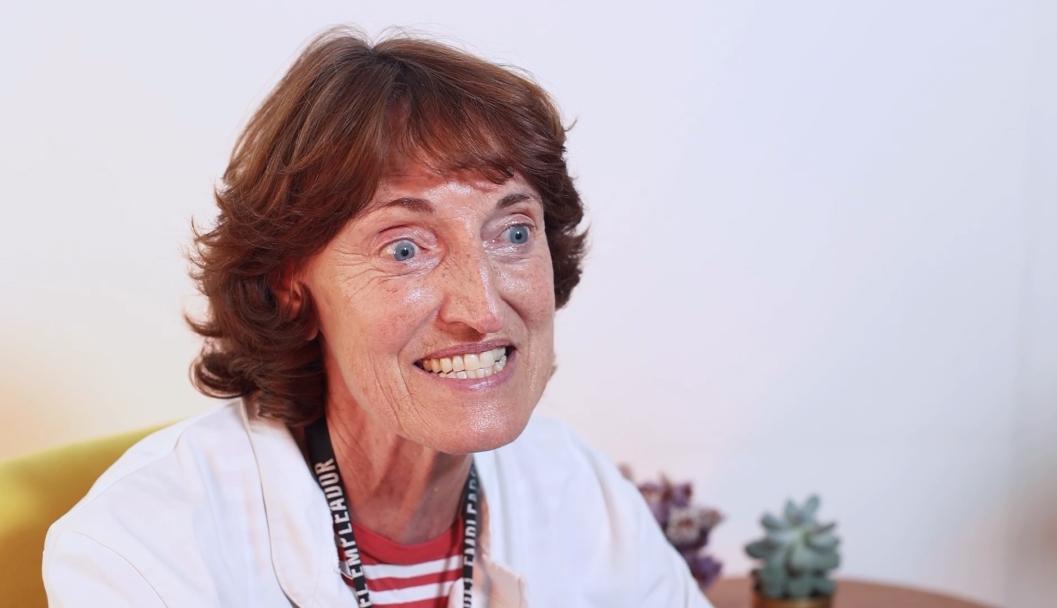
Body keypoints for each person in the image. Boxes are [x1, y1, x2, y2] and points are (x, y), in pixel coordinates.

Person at [42, 27, 712, 607]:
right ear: (290, 286)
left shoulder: (578, 490)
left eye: (511, 233)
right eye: (404, 248)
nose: (480, 308)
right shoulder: (142, 549)